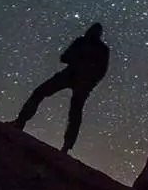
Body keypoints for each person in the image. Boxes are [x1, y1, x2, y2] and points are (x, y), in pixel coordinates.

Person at [10, 23, 110, 153]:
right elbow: (65, 57)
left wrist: (89, 81)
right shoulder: (87, 44)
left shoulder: (95, 46)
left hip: (80, 80)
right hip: (73, 76)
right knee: (67, 108)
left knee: (73, 111)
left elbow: (101, 71)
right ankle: (22, 122)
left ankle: (65, 145)